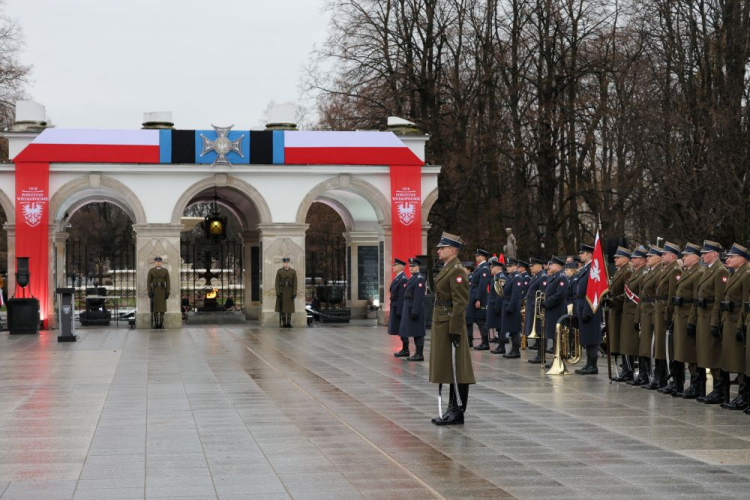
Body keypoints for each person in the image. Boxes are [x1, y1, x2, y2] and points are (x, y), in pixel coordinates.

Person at [430, 232, 476, 425]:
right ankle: (451, 408)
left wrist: (455, 330)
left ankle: (457, 410)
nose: (439, 250)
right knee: (448, 368)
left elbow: (460, 302)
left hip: (450, 323)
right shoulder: (447, 267)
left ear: (453, 250)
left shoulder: (457, 270)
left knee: (458, 368)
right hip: (442, 322)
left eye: (442, 247)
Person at [692, 241, 729, 404]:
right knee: (706, 353)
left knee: (714, 354)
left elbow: (719, 300)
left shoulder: (720, 271)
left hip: (710, 318)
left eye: (706, 253)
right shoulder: (708, 270)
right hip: (703, 316)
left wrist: (715, 322)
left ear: (715, 253)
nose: (702, 256)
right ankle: (714, 389)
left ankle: (720, 390)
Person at [719, 244, 750, 410]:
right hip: (729, 320)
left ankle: (744, 395)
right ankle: (741, 395)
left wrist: (741, 326)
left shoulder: (746, 275)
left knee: (740, 360)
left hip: (738, 320)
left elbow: (746, 304)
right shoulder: (734, 274)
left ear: (742, 259)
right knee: (734, 359)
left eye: (732, 257)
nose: (727, 259)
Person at [670, 243, 703, 397]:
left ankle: (696, 385)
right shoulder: (687, 272)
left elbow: (696, 299)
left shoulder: (698, 273)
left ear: (695, 257)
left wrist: (691, 320)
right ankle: (682, 383)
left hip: (688, 315)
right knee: (681, 351)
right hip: (679, 315)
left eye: (686, 255)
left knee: (690, 353)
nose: (683, 258)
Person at [655, 241, 682, 394]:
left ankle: (674, 379)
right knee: (662, 346)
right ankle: (665, 377)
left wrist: (669, 314)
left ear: (672, 256)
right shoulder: (667, 269)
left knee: (670, 347)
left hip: (667, 311)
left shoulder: (675, 270)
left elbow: (672, 294)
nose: (662, 256)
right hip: (660, 310)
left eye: (664, 254)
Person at [574, 244, 604, 375]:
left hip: (589, 306)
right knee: (586, 336)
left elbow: (592, 291)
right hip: (582, 305)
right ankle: (588, 364)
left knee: (592, 337)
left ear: (590, 255)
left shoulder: (594, 268)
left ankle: (593, 365)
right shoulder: (585, 268)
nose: (580, 255)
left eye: (583, 253)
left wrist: (588, 310)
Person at [621, 246, 648, 384]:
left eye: (635, 258)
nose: (632, 260)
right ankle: (629, 370)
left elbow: (641, 297)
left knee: (639, 346)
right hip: (629, 312)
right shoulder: (635, 273)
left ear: (642, 261)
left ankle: (643, 373)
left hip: (636, 312)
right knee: (629, 344)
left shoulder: (643, 273)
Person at [638, 246, 663, 388]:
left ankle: (657, 376)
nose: (647, 258)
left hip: (654, 310)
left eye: (650, 256)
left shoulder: (659, 272)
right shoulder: (650, 272)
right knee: (646, 344)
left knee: (654, 345)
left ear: (659, 258)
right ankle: (646, 374)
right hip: (646, 310)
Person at [607, 247, 633, 380]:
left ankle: (628, 369)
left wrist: (612, 301)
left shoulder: (627, 272)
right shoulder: (619, 271)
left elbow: (628, 293)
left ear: (626, 258)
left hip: (622, 310)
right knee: (619, 340)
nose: (615, 259)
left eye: (618, 257)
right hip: (616, 311)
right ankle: (625, 368)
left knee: (624, 341)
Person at [543, 256, 570, 368]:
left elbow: (560, 295)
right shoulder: (554, 276)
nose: (550, 266)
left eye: (552, 264)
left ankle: (559, 358)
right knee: (554, 335)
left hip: (557, 310)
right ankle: (556, 357)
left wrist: (546, 302)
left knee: (557, 335)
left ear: (558, 266)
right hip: (552, 310)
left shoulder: (562, 277)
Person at [399, 258, 428, 362]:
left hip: (415, 308)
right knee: (414, 331)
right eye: (410, 266)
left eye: (413, 266)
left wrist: (415, 311)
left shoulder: (419, 278)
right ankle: (417, 353)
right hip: (409, 306)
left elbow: (419, 296)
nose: (411, 268)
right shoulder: (413, 277)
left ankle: (419, 354)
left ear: (418, 267)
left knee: (418, 331)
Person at [525, 257, 548, 363]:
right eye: (530, 266)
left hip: (537, 308)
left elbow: (543, 294)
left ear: (539, 266)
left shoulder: (542, 277)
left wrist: (539, 307)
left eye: (532, 265)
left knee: (540, 332)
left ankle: (541, 355)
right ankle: (539, 354)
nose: (531, 268)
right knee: (537, 332)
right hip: (532, 307)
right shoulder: (536, 276)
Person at [502, 259, 524, 359]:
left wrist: (510, 307)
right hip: (507, 303)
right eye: (507, 266)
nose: (508, 268)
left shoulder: (517, 277)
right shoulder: (510, 276)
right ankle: (513, 349)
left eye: (510, 266)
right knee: (510, 329)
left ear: (515, 266)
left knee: (514, 329)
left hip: (513, 307)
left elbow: (515, 294)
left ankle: (516, 350)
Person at [470, 249, 492, 350]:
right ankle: (484, 341)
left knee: (481, 320)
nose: (476, 257)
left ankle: (485, 342)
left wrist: (478, 299)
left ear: (483, 256)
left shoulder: (484, 268)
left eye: (478, 255)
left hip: (480, 297)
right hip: (475, 294)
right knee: (478, 319)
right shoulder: (480, 267)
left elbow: (482, 285)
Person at [389, 258, 409, 356]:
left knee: (402, 328)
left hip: (399, 307)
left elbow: (402, 296)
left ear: (400, 267)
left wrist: (400, 310)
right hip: (395, 305)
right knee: (399, 328)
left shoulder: (403, 279)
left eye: (394, 265)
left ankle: (405, 349)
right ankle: (404, 349)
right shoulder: (398, 277)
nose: (393, 267)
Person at [487, 259, 506, 354]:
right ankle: (500, 345)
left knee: (500, 326)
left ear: (498, 267)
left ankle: (502, 346)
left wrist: (497, 307)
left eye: (492, 267)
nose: (490, 268)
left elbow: (500, 294)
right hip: (494, 304)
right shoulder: (496, 277)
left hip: (497, 305)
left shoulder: (500, 277)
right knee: (498, 326)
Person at [147, 256, 170, 329]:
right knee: (155, 308)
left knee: (162, 308)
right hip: (155, 290)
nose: (158, 263)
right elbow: (148, 282)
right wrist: (150, 291)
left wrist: (167, 292)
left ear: (161, 262)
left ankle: (161, 323)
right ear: (154, 262)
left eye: (159, 261)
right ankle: (156, 323)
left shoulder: (165, 271)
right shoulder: (151, 271)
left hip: (162, 291)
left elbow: (168, 282)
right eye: (157, 261)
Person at [275, 257, 297, 328]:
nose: (286, 264)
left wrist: (294, 292)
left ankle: (289, 322)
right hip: (283, 291)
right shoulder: (280, 271)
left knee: (290, 307)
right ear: (283, 263)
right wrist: (278, 292)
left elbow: (295, 283)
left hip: (290, 291)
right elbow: (277, 283)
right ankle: (284, 322)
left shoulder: (293, 272)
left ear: (289, 263)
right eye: (285, 262)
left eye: (287, 262)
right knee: (283, 307)